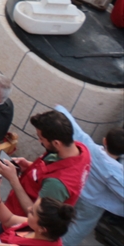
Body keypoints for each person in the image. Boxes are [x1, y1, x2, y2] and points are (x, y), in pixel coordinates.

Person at [0, 110, 93, 219]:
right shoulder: (80, 149)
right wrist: (30, 166)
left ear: (56, 143)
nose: (39, 141)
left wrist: (13, 180)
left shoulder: (56, 184)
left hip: (18, 221)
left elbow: (35, 215)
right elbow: (48, 173)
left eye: (41, 138)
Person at [50, 105, 124, 245]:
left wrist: (59, 108)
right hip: (92, 204)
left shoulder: (90, 148)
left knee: (59, 217)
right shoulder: (117, 172)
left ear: (105, 141)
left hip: (74, 191)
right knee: (78, 229)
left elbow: (76, 130)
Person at [0, 184, 74, 246]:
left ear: (42, 229)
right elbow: (9, 219)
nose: (28, 209)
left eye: (32, 212)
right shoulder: (44, 231)